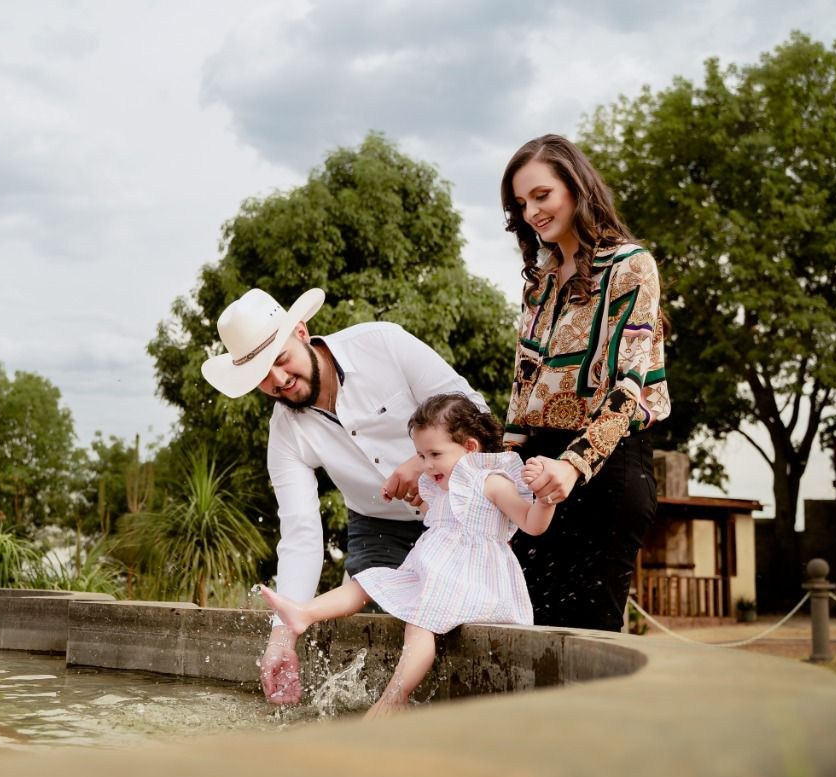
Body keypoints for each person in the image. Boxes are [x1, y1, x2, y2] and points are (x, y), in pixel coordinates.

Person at [200, 288, 487, 705]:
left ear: (302, 331)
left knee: (469, 629)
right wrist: (282, 637)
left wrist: (419, 462)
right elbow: (300, 535)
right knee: (374, 652)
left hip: (457, 511)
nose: (278, 381)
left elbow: (475, 410)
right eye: (262, 377)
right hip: (378, 532)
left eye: (280, 360)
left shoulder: (383, 343)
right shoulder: (284, 433)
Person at [256, 393, 551, 718]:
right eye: (421, 455)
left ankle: (396, 695)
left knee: (419, 624)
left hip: (474, 581)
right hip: (433, 572)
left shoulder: (491, 482)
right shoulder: (441, 487)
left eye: (435, 454)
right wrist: (411, 500)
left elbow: (531, 524)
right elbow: (440, 516)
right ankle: (304, 613)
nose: (426, 464)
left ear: (470, 447)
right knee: (369, 581)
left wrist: (545, 499)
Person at [499, 133, 671, 632]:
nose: (531, 212)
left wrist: (574, 466)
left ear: (576, 188)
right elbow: (522, 390)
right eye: (520, 203)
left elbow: (628, 386)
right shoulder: (539, 282)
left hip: (607, 467)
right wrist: (503, 466)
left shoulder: (631, 266)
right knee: (527, 632)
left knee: (586, 641)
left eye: (541, 195)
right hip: (537, 471)